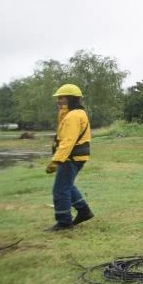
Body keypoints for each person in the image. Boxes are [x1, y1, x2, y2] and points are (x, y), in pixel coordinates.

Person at [45, 83, 94, 231]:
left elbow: (68, 141)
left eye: (62, 97)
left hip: (70, 158)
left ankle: (64, 222)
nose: (58, 100)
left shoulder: (73, 116)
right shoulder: (74, 113)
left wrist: (56, 160)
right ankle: (84, 211)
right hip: (74, 157)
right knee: (67, 185)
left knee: (60, 190)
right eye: (58, 98)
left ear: (71, 99)